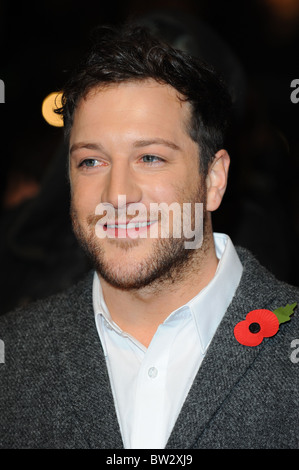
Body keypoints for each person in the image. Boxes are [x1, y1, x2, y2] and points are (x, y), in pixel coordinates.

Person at [0, 23, 298, 450]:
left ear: (214, 179)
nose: (117, 194)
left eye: (151, 157)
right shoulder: (14, 357)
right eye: (91, 162)